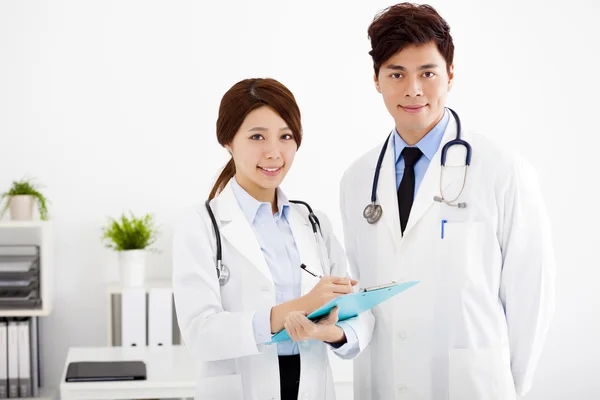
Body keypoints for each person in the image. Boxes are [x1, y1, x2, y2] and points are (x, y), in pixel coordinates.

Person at [339, 3, 556, 399]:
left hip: (473, 387)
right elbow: (361, 297)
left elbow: (531, 299)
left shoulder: (502, 170)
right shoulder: (356, 181)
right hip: (383, 385)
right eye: (396, 74)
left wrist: (508, 388)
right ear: (376, 80)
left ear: (450, 75)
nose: (413, 90)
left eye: (427, 73)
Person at [172, 77, 374, 400]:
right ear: (228, 141)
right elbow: (200, 333)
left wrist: (328, 332)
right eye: (256, 137)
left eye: (285, 137)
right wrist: (301, 308)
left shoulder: (314, 224)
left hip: (312, 386)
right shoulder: (200, 226)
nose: (273, 152)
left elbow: (359, 313)